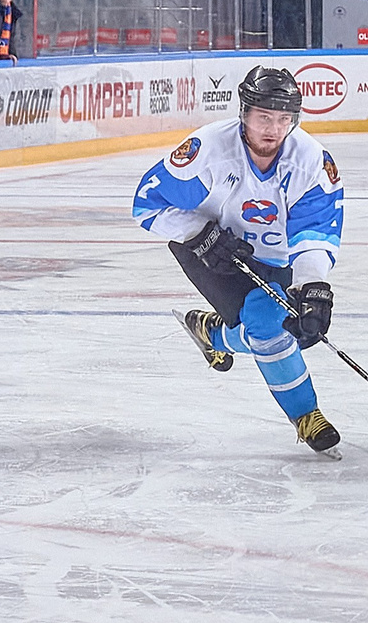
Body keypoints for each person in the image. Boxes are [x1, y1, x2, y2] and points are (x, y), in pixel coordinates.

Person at [131, 66, 346, 456]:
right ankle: (307, 415)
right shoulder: (209, 151)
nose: (273, 129)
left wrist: (313, 284)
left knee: (294, 329)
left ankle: (214, 335)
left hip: (278, 259)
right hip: (212, 254)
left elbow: (314, 229)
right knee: (268, 326)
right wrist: (201, 234)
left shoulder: (310, 160)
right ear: (244, 113)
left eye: (284, 119)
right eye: (264, 117)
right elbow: (147, 205)